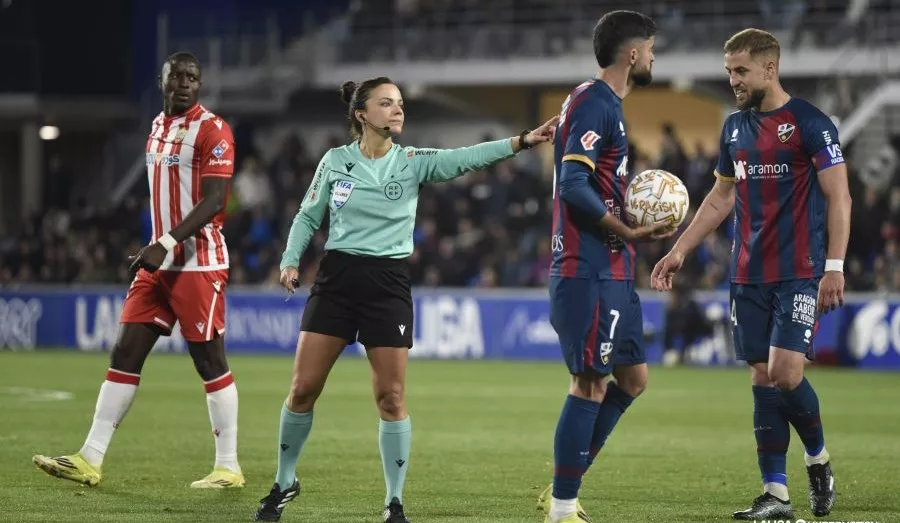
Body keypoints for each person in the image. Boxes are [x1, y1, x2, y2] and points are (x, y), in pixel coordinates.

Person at [253, 77, 558, 523]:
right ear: (361, 114)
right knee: (302, 389)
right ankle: (284, 482)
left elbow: (465, 158)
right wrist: (289, 260)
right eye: (387, 103)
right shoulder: (335, 161)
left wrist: (523, 141)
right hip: (337, 281)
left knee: (391, 397)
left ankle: (394, 502)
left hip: (387, 284)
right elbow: (307, 215)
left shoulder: (412, 162)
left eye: (400, 103)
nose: (398, 110)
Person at [651, 28, 848, 520]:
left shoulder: (810, 123)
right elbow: (721, 198)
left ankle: (818, 459)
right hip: (747, 273)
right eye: (729, 71)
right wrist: (679, 250)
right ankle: (775, 493)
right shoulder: (734, 128)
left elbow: (839, 197)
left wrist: (835, 267)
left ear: (769, 68)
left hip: (799, 270)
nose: (733, 80)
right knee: (761, 377)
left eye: (741, 70)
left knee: (785, 373)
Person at [33, 52, 244, 489]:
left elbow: (214, 201)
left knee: (209, 360)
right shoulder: (157, 126)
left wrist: (165, 242)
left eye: (192, 77)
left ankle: (228, 467)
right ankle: (89, 458)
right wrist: (159, 245)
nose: (184, 83)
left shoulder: (213, 130)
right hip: (158, 263)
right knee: (125, 353)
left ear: (200, 85)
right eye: (176, 76)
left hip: (198, 263)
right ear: (161, 81)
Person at [535, 10, 671, 523]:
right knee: (589, 383)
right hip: (587, 265)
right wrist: (626, 229)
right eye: (651, 49)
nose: (654, 58)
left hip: (613, 266)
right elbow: (573, 185)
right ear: (632, 54)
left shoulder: (597, 102)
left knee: (632, 379)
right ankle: (562, 508)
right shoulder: (595, 102)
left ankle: (563, 486)